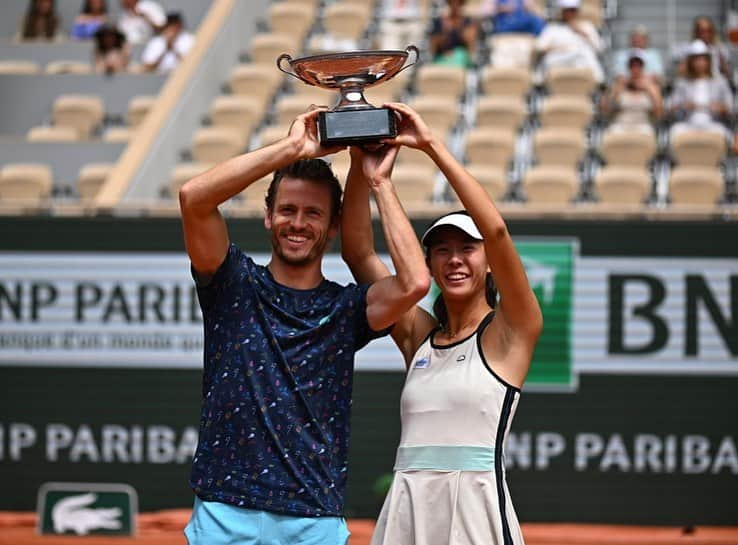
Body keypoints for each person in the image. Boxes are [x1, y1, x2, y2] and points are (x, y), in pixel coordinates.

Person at [178, 106, 430, 545]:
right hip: (225, 511)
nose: (297, 223)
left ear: (333, 226)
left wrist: (378, 182)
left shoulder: (346, 308)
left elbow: (414, 283)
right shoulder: (233, 282)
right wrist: (289, 149)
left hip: (313, 520)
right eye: (287, 210)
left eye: (312, 214)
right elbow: (193, 197)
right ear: (268, 216)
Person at [341, 103, 543, 545]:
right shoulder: (419, 337)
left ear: (488, 262)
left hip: (475, 514)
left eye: (467, 248)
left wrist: (431, 146)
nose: (454, 259)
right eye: (442, 250)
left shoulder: (513, 330)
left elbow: (498, 233)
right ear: (429, 262)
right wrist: (368, 174)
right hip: (407, 511)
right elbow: (357, 253)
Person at [669, 39, 733, 144]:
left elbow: (730, 107)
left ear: (708, 61)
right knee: (674, 133)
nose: (699, 62)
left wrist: (720, 107)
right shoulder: (682, 83)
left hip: (713, 123)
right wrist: (683, 105)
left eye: (702, 59)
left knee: (723, 135)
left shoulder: (720, 82)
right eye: (696, 59)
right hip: (688, 123)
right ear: (691, 62)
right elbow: (670, 107)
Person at [535, 0, 604, 84]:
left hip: (580, 60)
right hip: (558, 58)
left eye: (573, 10)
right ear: (562, 11)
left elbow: (598, 47)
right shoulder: (552, 28)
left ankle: (599, 84)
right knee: (547, 61)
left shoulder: (587, 26)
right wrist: (559, 49)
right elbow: (540, 47)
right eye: (567, 10)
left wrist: (582, 33)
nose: (570, 13)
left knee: (586, 53)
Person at [601, 49, 662, 135]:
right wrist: (616, 92)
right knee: (613, 132)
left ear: (642, 67)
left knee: (646, 133)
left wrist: (649, 90)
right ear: (628, 67)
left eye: (638, 65)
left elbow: (659, 113)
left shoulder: (652, 86)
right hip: (621, 124)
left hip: (643, 124)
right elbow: (605, 110)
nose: (635, 69)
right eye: (632, 65)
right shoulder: (619, 84)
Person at [675, 16, 730, 80]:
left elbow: (727, 73)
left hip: (714, 84)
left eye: (709, 30)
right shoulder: (687, 48)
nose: (705, 34)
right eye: (701, 31)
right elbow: (680, 73)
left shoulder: (720, 48)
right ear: (695, 31)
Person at [429, 0, 479, 67]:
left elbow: (470, 45)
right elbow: (433, 47)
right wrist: (445, 32)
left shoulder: (468, 22)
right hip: (442, 57)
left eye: (458, 2)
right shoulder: (439, 21)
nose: (454, 4)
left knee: (460, 55)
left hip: (461, 57)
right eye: (451, 2)